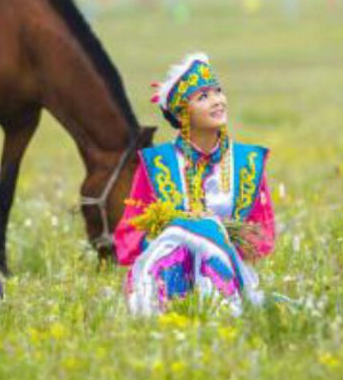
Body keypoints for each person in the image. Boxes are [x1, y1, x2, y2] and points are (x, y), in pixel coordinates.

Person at [114, 52, 276, 316]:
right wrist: (179, 234)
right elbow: (130, 233)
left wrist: (214, 236)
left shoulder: (247, 161)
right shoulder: (158, 164)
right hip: (167, 274)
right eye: (203, 97)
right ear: (182, 112)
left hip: (229, 276)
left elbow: (263, 234)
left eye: (218, 92)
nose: (217, 101)